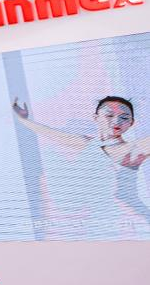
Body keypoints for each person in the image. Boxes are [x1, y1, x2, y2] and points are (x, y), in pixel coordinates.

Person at [11, 95, 150, 234]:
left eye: (124, 117)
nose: (117, 121)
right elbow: (51, 133)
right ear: (96, 118)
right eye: (109, 115)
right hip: (96, 222)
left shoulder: (132, 149)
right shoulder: (87, 143)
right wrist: (23, 120)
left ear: (131, 122)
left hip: (127, 219)